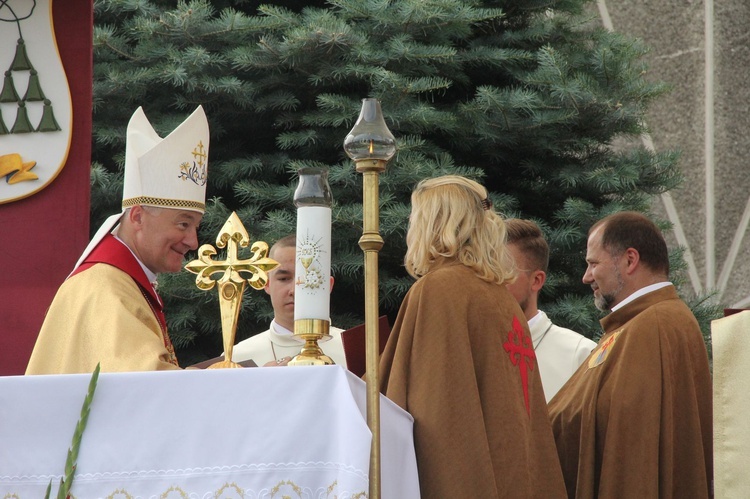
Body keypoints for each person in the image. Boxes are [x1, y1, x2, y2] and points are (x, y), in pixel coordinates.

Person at [378, 175, 566, 498]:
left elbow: (434, 406)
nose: (410, 228)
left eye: (415, 218)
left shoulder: (439, 288)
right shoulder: (502, 297)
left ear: (434, 223)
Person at [26, 106, 210, 374]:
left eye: (196, 226)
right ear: (137, 217)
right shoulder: (106, 288)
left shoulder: (119, 281)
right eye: (183, 223)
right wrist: (223, 376)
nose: (193, 241)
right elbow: (143, 385)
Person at [547, 211, 713, 498]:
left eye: (593, 263)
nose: (586, 277)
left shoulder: (655, 326)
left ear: (629, 260)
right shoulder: (638, 324)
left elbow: (633, 449)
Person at [505, 218, 596, 401]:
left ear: (536, 280)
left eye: (503, 272)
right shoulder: (470, 350)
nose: (491, 283)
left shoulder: (579, 355)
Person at [230, 235, 346, 367]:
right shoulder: (236, 358)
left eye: (307, 279)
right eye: (284, 279)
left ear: (328, 286)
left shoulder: (356, 351)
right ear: (267, 284)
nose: (294, 290)